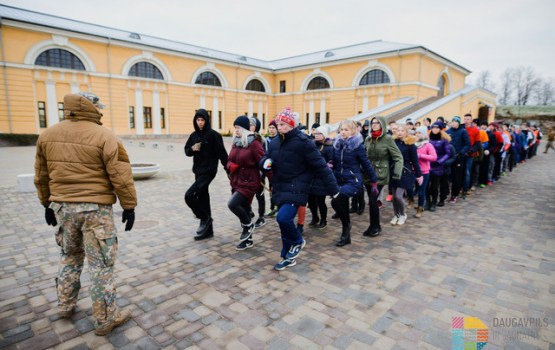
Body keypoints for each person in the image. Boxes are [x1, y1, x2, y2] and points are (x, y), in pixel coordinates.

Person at [34, 92, 137, 336]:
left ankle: (65, 305)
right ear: (92, 108)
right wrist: (129, 206)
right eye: (99, 107)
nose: (101, 110)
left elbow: (40, 176)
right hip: (96, 210)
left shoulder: (47, 135)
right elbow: (120, 175)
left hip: (63, 208)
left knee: (69, 256)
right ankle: (105, 320)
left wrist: (46, 204)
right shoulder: (105, 136)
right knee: (100, 265)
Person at [261, 107, 339, 270]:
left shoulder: (304, 142)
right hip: (280, 186)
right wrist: (264, 163)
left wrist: (334, 190)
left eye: (282, 124)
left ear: (291, 125)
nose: (279, 127)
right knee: (283, 225)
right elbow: (266, 158)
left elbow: (321, 166)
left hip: (297, 187)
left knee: (282, 218)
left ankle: (298, 241)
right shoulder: (275, 142)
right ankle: (286, 256)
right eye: (277, 124)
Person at [330, 120, 378, 247]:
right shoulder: (337, 144)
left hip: (352, 180)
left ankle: (346, 227)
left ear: (352, 131)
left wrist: (374, 180)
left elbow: (366, 163)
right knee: (342, 205)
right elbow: (333, 163)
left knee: (335, 201)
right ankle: (346, 236)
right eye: (341, 129)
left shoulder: (357, 146)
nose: (343, 132)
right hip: (339, 180)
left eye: (346, 130)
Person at [184, 109, 229, 240]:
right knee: (203, 198)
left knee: (189, 195)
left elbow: (223, 155)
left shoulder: (214, 135)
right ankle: (208, 231)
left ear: (207, 120)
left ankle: (205, 218)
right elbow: (186, 150)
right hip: (197, 171)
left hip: (208, 172)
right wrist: (192, 149)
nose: (200, 122)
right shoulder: (193, 135)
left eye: (202, 120)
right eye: (198, 120)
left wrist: (229, 170)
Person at [227, 116, 265, 250]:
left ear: (244, 128)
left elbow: (264, 162)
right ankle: (247, 241)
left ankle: (248, 225)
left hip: (250, 181)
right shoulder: (236, 142)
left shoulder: (254, 143)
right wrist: (230, 165)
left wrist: (273, 181)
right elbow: (229, 159)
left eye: (238, 128)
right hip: (236, 181)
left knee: (233, 204)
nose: (236, 130)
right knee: (245, 209)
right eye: (235, 127)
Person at [363, 116, 403, 236]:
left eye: (377, 123)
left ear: (382, 125)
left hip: (380, 174)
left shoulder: (388, 139)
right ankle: (373, 225)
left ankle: (376, 227)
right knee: (371, 201)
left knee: (373, 199)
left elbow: (398, 157)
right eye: (373, 123)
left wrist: (397, 173)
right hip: (368, 173)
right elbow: (364, 155)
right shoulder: (368, 139)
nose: (374, 125)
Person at [391, 125, 423, 225]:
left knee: (398, 196)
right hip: (393, 170)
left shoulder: (410, 145)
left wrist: (419, 175)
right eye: (398, 130)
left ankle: (402, 214)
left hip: (405, 171)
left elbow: (415, 161)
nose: (400, 132)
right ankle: (396, 214)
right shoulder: (393, 143)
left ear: (406, 132)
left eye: (402, 130)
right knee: (393, 196)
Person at [308, 126, 333, 229]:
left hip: (321, 178)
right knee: (310, 200)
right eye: (316, 133)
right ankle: (315, 217)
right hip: (311, 177)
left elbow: (331, 162)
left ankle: (323, 219)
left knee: (320, 200)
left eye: (319, 133)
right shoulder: (311, 145)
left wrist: (323, 167)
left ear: (324, 135)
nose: (317, 135)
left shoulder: (328, 148)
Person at [427, 121, 451, 211]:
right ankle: (427, 202)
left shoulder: (444, 140)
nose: (435, 129)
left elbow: (447, 153)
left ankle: (433, 202)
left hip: (437, 165)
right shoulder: (428, 139)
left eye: (437, 128)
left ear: (440, 129)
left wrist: (439, 161)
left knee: (435, 186)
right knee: (426, 185)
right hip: (427, 164)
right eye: (433, 127)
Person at [446, 116, 470, 203]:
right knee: (447, 176)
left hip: (459, 157)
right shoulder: (448, 131)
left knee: (457, 177)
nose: (454, 123)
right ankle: (445, 192)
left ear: (459, 123)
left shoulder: (463, 131)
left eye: (456, 122)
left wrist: (461, 152)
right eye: (453, 121)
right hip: (448, 157)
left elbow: (467, 144)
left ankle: (454, 195)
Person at [249, 117, 267, 228]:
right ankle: (249, 211)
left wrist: (261, 173)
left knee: (259, 195)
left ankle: (261, 217)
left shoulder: (261, 140)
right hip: (247, 173)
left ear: (256, 127)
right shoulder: (243, 138)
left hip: (258, 172)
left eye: (251, 124)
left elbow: (265, 157)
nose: (249, 126)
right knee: (245, 194)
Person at [414, 126, 437, 216]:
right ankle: (419, 203)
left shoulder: (428, 145)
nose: (417, 134)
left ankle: (420, 208)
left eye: (419, 133)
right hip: (413, 171)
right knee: (411, 190)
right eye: (416, 133)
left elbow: (434, 157)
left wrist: (420, 155)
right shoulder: (413, 144)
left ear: (423, 134)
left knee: (421, 191)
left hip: (423, 172)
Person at [264, 120, 279, 217]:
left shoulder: (279, 139)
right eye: (270, 127)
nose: (271, 129)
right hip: (268, 167)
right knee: (270, 188)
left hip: (277, 168)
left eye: (273, 127)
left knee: (277, 188)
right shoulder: (266, 140)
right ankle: (272, 207)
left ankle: (278, 207)